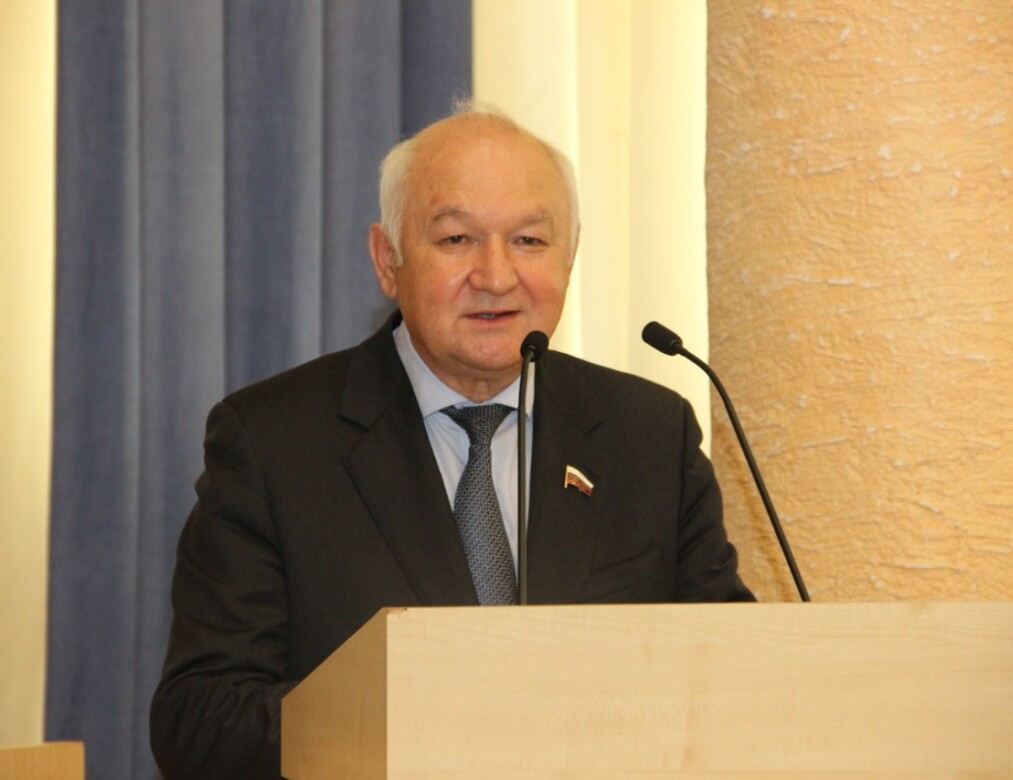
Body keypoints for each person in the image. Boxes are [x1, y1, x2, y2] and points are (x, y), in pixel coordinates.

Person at [150, 104, 754, 779]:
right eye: (457, 239)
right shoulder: (273, 442)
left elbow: (734, 678)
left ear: (571, 256)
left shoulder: (649, 436)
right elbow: (200, 719)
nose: (495, 276)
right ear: (388, 260)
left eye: (529, 240)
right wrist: (416, 716)